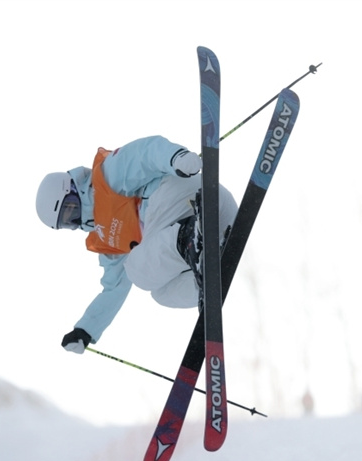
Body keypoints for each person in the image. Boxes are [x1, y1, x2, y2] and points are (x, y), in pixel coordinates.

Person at [36, 135, 237, 353]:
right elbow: (114, 289)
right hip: (221, 226)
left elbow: (144, 154)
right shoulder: (107, 242)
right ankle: (208, 280)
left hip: (190, 196)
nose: (75, 219)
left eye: (71, 208)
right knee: (161, 294)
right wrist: (86, 330)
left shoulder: (105, 178)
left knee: (137, 271)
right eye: (68, 222)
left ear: (73, 188)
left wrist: (176, 157)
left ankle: (189, 239)